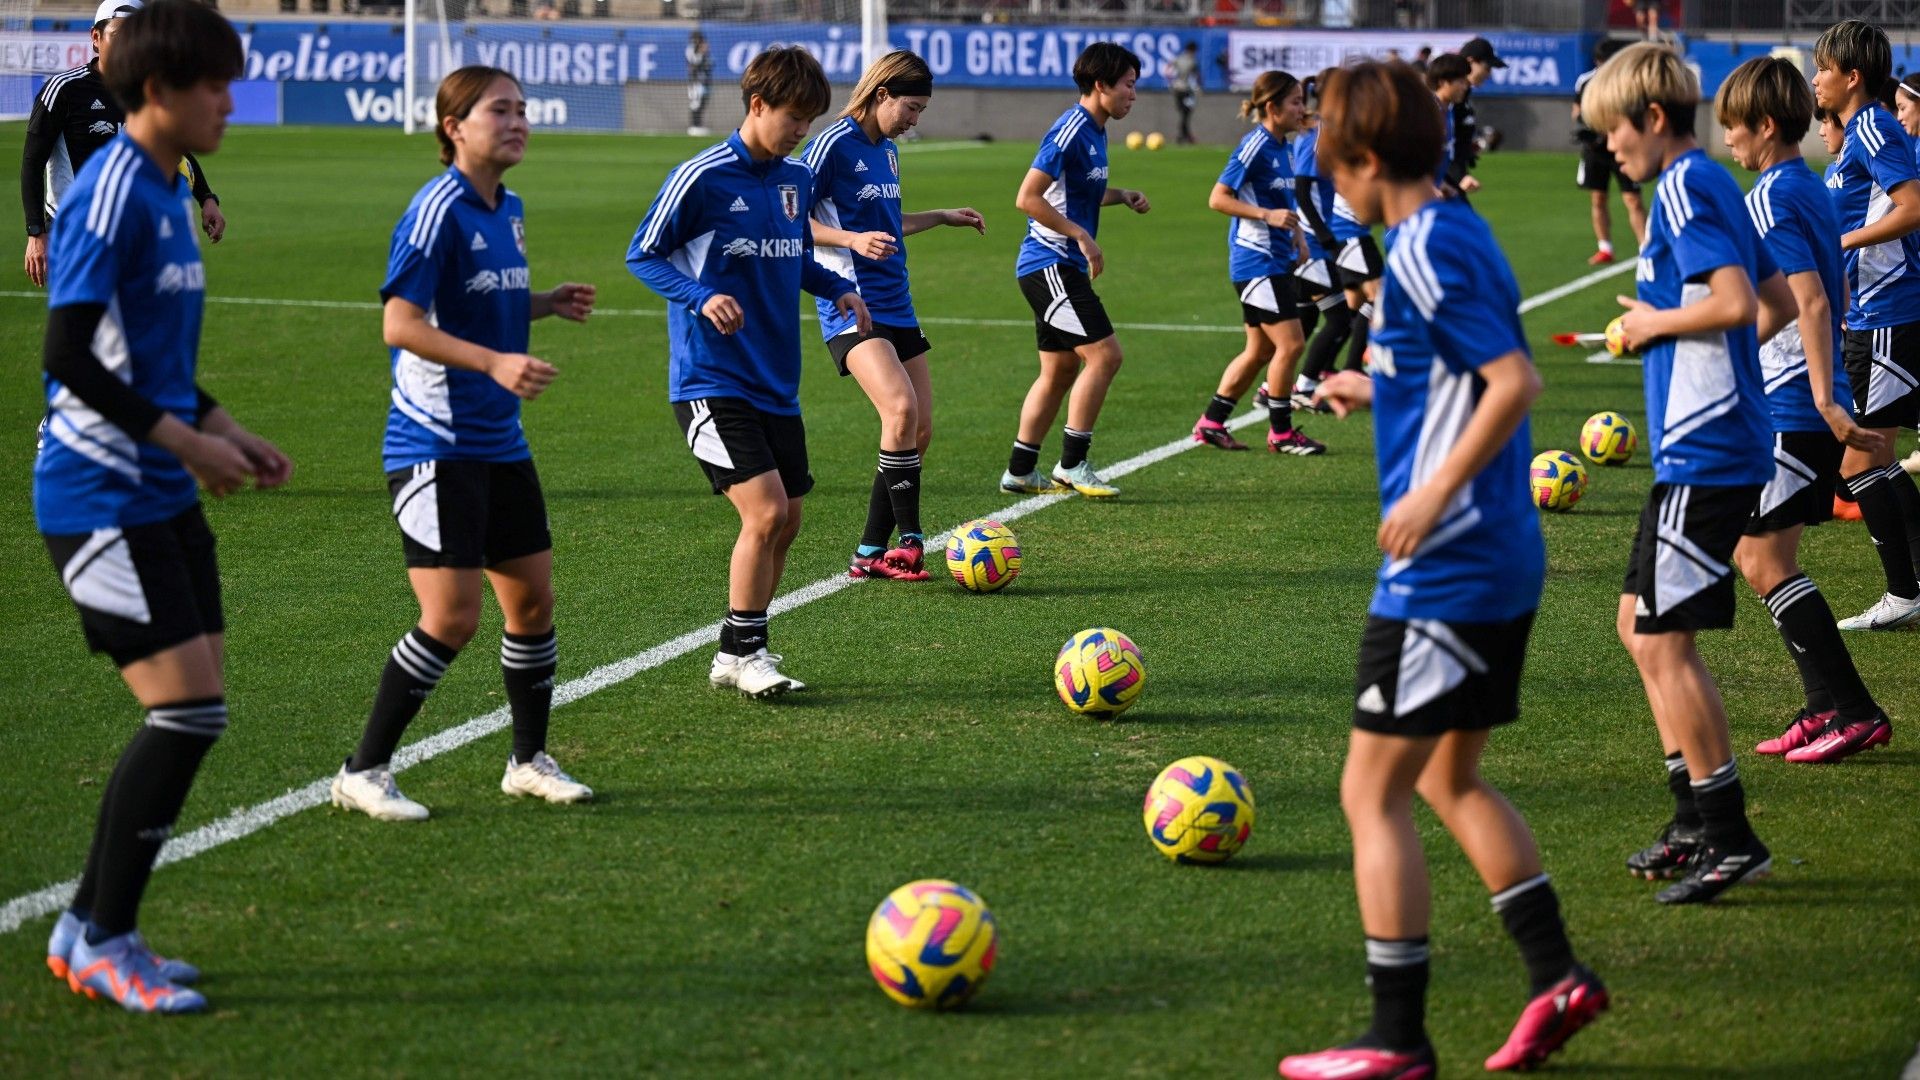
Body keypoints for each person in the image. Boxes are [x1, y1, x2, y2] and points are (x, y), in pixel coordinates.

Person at [1280, 60, 1606, 1080]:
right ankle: (1555, 975)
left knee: (1370, 791)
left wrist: (1424, 496)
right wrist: (1372, 390)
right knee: (1448, 777)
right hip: (1502, 550)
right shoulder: (1459, 229)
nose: (1333, 190)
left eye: (1334, 172)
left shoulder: (1421, 247)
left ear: (1369, 161)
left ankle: (1396, 1040)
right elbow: (1460, 374)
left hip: (1449, 565)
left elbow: (1512, 383)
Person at [37, 0, 290, 1013]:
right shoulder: (107, 197)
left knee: (199, 706)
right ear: (157, 92)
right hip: (100, 494)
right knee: (184, 712)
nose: (230, 102)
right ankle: (106, 937)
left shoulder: (165, 186)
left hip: (158, 487)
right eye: (212, 86)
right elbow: (66, 356)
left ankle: (84, 923)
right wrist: (187, 443)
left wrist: (223, 426)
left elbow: (151, 361)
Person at [331, 67, 597, 821]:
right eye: (499, 110)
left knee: (533, 603)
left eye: (522, 108)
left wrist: (542, 305)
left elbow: (481, 300)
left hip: (498, 443)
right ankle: (364, 770)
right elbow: (401, 323)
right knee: (451, 618)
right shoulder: (437, 209)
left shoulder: (506, 206)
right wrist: (496, 362)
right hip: (432, 443)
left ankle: (527, 762)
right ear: (453, 126)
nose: (517, 121)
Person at [1587, 42, 1796, 904]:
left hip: (1707, 451)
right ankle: (1690, 817)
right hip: (1704, 442)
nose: (1609, 149)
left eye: (1613, 131)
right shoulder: (1707, 182)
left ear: (1655, 119)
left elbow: (1738, 301)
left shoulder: (1682, 185)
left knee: (1665, 641)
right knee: (1639, 625)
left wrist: (1654, 328)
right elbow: (1776, 296)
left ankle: (1729, 831)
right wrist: (1705, 350)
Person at [628, 47, 870, 697]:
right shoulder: (701, 177)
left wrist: (834, 287)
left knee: (787, 518)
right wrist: (701, 296)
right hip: (711, 380)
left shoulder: (792, 181)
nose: (801, 131)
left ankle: (736, 650)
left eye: (810, 121)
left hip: (775, 380)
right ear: (757, 104)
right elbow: (642, 255)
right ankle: (749, 652)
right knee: (764, 514)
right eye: (793, 117)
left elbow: (789, 257)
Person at [1718, 57, 1894, 764]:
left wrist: (1821, 398)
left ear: (1764, 126)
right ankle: (1825, 707)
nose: (1726, 139)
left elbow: (1807, 300)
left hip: (1793, 401)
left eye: (1732, 126)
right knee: (1766, 555)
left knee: (1760, 559)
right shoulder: (1807, 185)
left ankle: (1854, 710)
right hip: (1799, 394)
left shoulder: (1771, 195)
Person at [801, 50, 984, 581]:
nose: (915, 120)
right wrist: (850, 239)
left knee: (918, 429)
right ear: (882, 94)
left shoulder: (888, 152)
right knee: (900, 410)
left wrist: (943, 216)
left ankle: (867, 553)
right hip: (850, 303)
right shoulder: (832, 146)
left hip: (898, 305)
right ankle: (910, 542)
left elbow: (887, 221)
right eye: (911, 107)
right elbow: (792, 221)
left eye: (921, 111)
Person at [1002, 42, 1151, 499]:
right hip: (1049, 266)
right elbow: (1028, 197)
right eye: (1128, 84)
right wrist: (1081, 236)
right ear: (1101, 85)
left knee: (1061, 369)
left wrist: (1119, 194)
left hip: (1058, 267)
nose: (1133, 94)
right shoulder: (1070, 130)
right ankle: (1072, 464)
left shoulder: (1096, 129)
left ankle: (1021, 470)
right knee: (1105, 356)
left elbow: (1074, 192)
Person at [1811, 20, 1920, 630]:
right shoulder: (1859, 133)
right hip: (1872, 313)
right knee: (1871, 454)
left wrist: (1841, 240)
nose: (1815, 78)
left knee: (1861, 460)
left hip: (1887, 315)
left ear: (1852, 77)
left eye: (1823, 67)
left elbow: (1913, 207)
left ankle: (1905, 594)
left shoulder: (1874, 125)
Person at [21, 0, 224, 289]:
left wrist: (207, 199)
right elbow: (32, 162)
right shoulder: (64, 90)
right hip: (75, 232)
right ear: (96, 38)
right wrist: (35, 232)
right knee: (87, 325)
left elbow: (176, 151)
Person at [1188, 69, 1323, 456]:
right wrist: (1267, 217)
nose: (1302, 109)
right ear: (1271, 107)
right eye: (1295, 102)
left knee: (1260, 350)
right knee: (1292, 343)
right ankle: (1281, 434)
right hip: (1255, 262)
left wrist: (1296, 236)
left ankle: (1212, 422)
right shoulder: (1255, 145)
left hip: (1276, 259)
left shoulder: (1283, 146)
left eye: (1302, 100)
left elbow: (1283, 202)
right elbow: (1218, 198)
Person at [1293, 68, 1384, 396]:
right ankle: (1317, 380)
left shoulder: (1333, 130)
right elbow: (1302, 190)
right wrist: (1325, 235)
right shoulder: (1316, 133)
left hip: (1333, 233)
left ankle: (1331, 373)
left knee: (1345, 307)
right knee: (1372, 300)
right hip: (1330, 234)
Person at [1573, 38, 1649, 265]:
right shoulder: (1586, 82)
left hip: (1622, 148)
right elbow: (1577, 112)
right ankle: (1605, 247)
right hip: (1595, 151)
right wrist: (1586, 129)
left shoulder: (1628, 82)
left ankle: (1646, 248)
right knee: (1598, 197)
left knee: (1633, 199)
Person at [1447, 37, 1501, 200]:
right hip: (1437, 183)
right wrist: (1458, 176)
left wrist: (1471, 144)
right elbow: (1435, 143)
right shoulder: (1445, 99)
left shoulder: (1463, 95)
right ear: (1470, 62)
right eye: (1487, 67)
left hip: (1448, 182)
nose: (1489, 74)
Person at [1427, 53, 1471, 195]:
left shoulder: (1448, 110)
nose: (1465, 87)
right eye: (1461, 82)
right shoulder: (1426, 111)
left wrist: (1442, 184)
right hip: (1416, 196)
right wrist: (1426, 187)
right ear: (1443, 82)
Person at [1170, 41, 1200, 145]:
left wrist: (1171, 81)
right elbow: (1197, 75)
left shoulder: (1179, 58)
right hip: (1186, 90)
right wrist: (1199, 87)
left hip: (1177, 89)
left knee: (1183, 113)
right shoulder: (1192, 61)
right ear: (1193, 50)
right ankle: (1184, 136)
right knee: (1186, 113)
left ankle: (1184, 136)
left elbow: (1168, 69)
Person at [686, 29, 713, 137]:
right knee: (695, 103)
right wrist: (701, 53)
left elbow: (710, 65)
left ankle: (699, 125)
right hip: (695, 82)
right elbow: (694, 64)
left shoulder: (706, 52)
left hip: (705, 81)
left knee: (703, 102)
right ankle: (694, 126)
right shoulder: (691, 50)